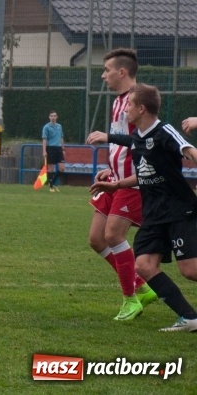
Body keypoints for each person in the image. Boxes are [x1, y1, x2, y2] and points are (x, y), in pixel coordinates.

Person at [90, 83, 197, 332]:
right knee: (144, 266)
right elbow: (145, 175)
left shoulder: (164, 131)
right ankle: (190, 318)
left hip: (179, 210)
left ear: (141, 108)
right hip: (154, 213)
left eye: (129, 105)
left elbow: (189, 150)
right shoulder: (139, 137)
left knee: (190, 271)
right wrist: (116, 186)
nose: (125, 109)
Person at [84, 48, 156, 321]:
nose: (103, 76)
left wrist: (107, 139)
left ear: (122, 72)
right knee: (95, 239)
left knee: (113, 236)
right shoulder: (118, 102)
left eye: (107, 70)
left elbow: (146, 143)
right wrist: (109, 168)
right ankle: (140, 287)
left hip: (133, 182)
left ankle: (130, 300)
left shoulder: (140, 102)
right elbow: (122, 143)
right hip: (115, 178)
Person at [41, 110, 65, 192]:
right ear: (49, 117)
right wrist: (44, 151)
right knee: (51, 168)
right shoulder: (46, 127)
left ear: (57, 117)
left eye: (54, 116)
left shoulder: (59, 126)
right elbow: (44, 139)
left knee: (62, 168)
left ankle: (52, 182)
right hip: (50, 148)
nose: (53, 117)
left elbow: (61, 138)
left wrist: (63, 149)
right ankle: (51, 186)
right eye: (51, 116)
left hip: (58, 149)